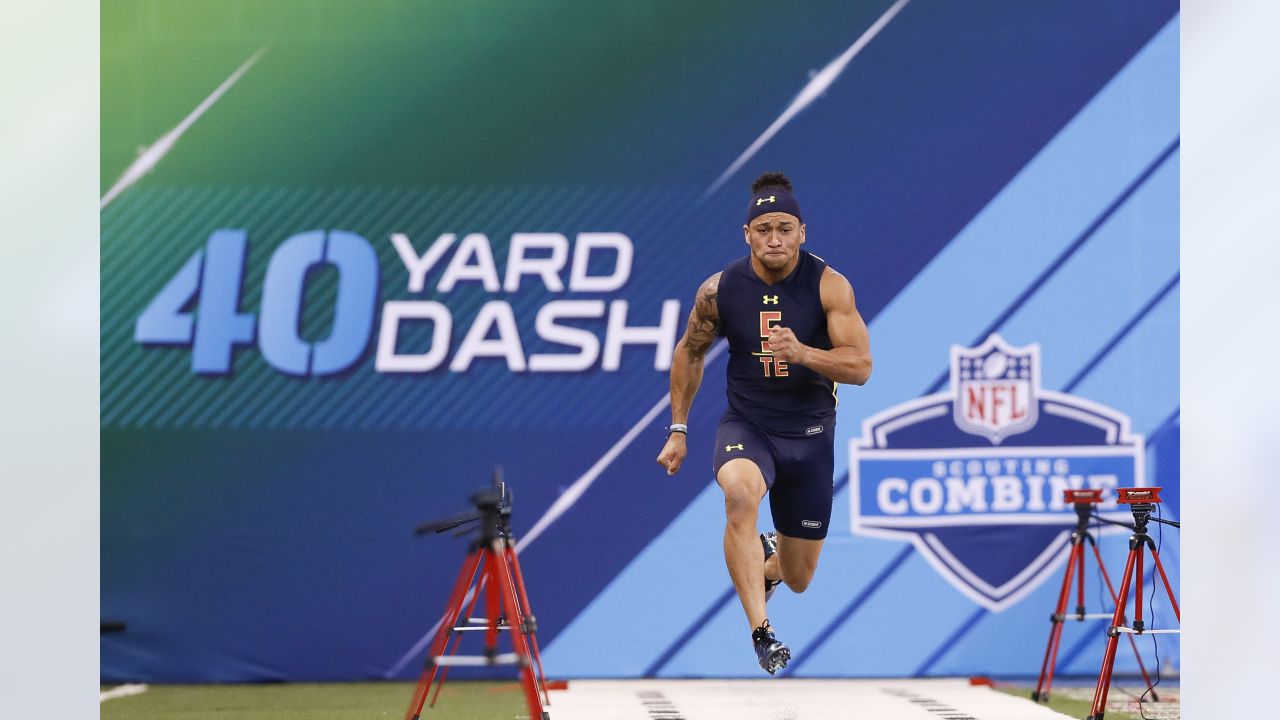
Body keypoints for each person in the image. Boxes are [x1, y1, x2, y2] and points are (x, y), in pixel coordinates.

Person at [656, 172, 872, 674]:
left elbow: (860, 366)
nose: (774, 238)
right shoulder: (720, 289)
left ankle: (771, 560)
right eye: (764, 228)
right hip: (748, 426)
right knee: (738, 495)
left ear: (802, 232)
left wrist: (803, 352)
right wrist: (678, 428)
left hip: (811, 437)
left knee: (798, 578)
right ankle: (761, 631)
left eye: (784, 228)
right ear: (747, 234)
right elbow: (689, 353)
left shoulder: (828, 285)